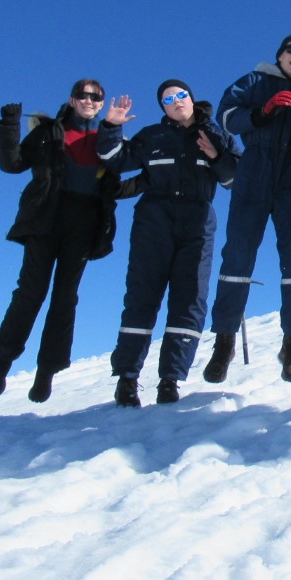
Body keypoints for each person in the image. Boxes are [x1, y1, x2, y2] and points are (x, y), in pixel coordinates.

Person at [0, 79, 133, 403]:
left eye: (96, 96)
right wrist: (9, 125)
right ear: (72, 99)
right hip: (46, 219)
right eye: (84, 95)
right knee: (30, 291)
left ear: (102, 102)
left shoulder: (106, 139)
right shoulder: (50, 131)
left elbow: (114, 188)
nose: (89, 100)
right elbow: (12, 164)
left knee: (65, 298)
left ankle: (46, 372)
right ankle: (2, 361)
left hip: (84, 225)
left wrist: (151, 181)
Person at [98, 81, 240, 406]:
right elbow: (115, 161)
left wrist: (217, 156)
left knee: (190, 299)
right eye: (168, 99)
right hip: (154, 221)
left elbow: (235, 179)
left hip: (198, 220)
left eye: (180, 95)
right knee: (141, 296)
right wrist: (111, 127)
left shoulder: (217, 134)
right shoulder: (152, 136)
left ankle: (170, 380)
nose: (176, 101)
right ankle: (127, 380)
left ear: (192, 98)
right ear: (163, 107)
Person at [202, 33, 291, 386]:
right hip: (254, 174)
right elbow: (226, 117)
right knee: (237, 256)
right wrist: (261, 113)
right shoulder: (254, 80)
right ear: (281, 53)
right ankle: (224, 343)